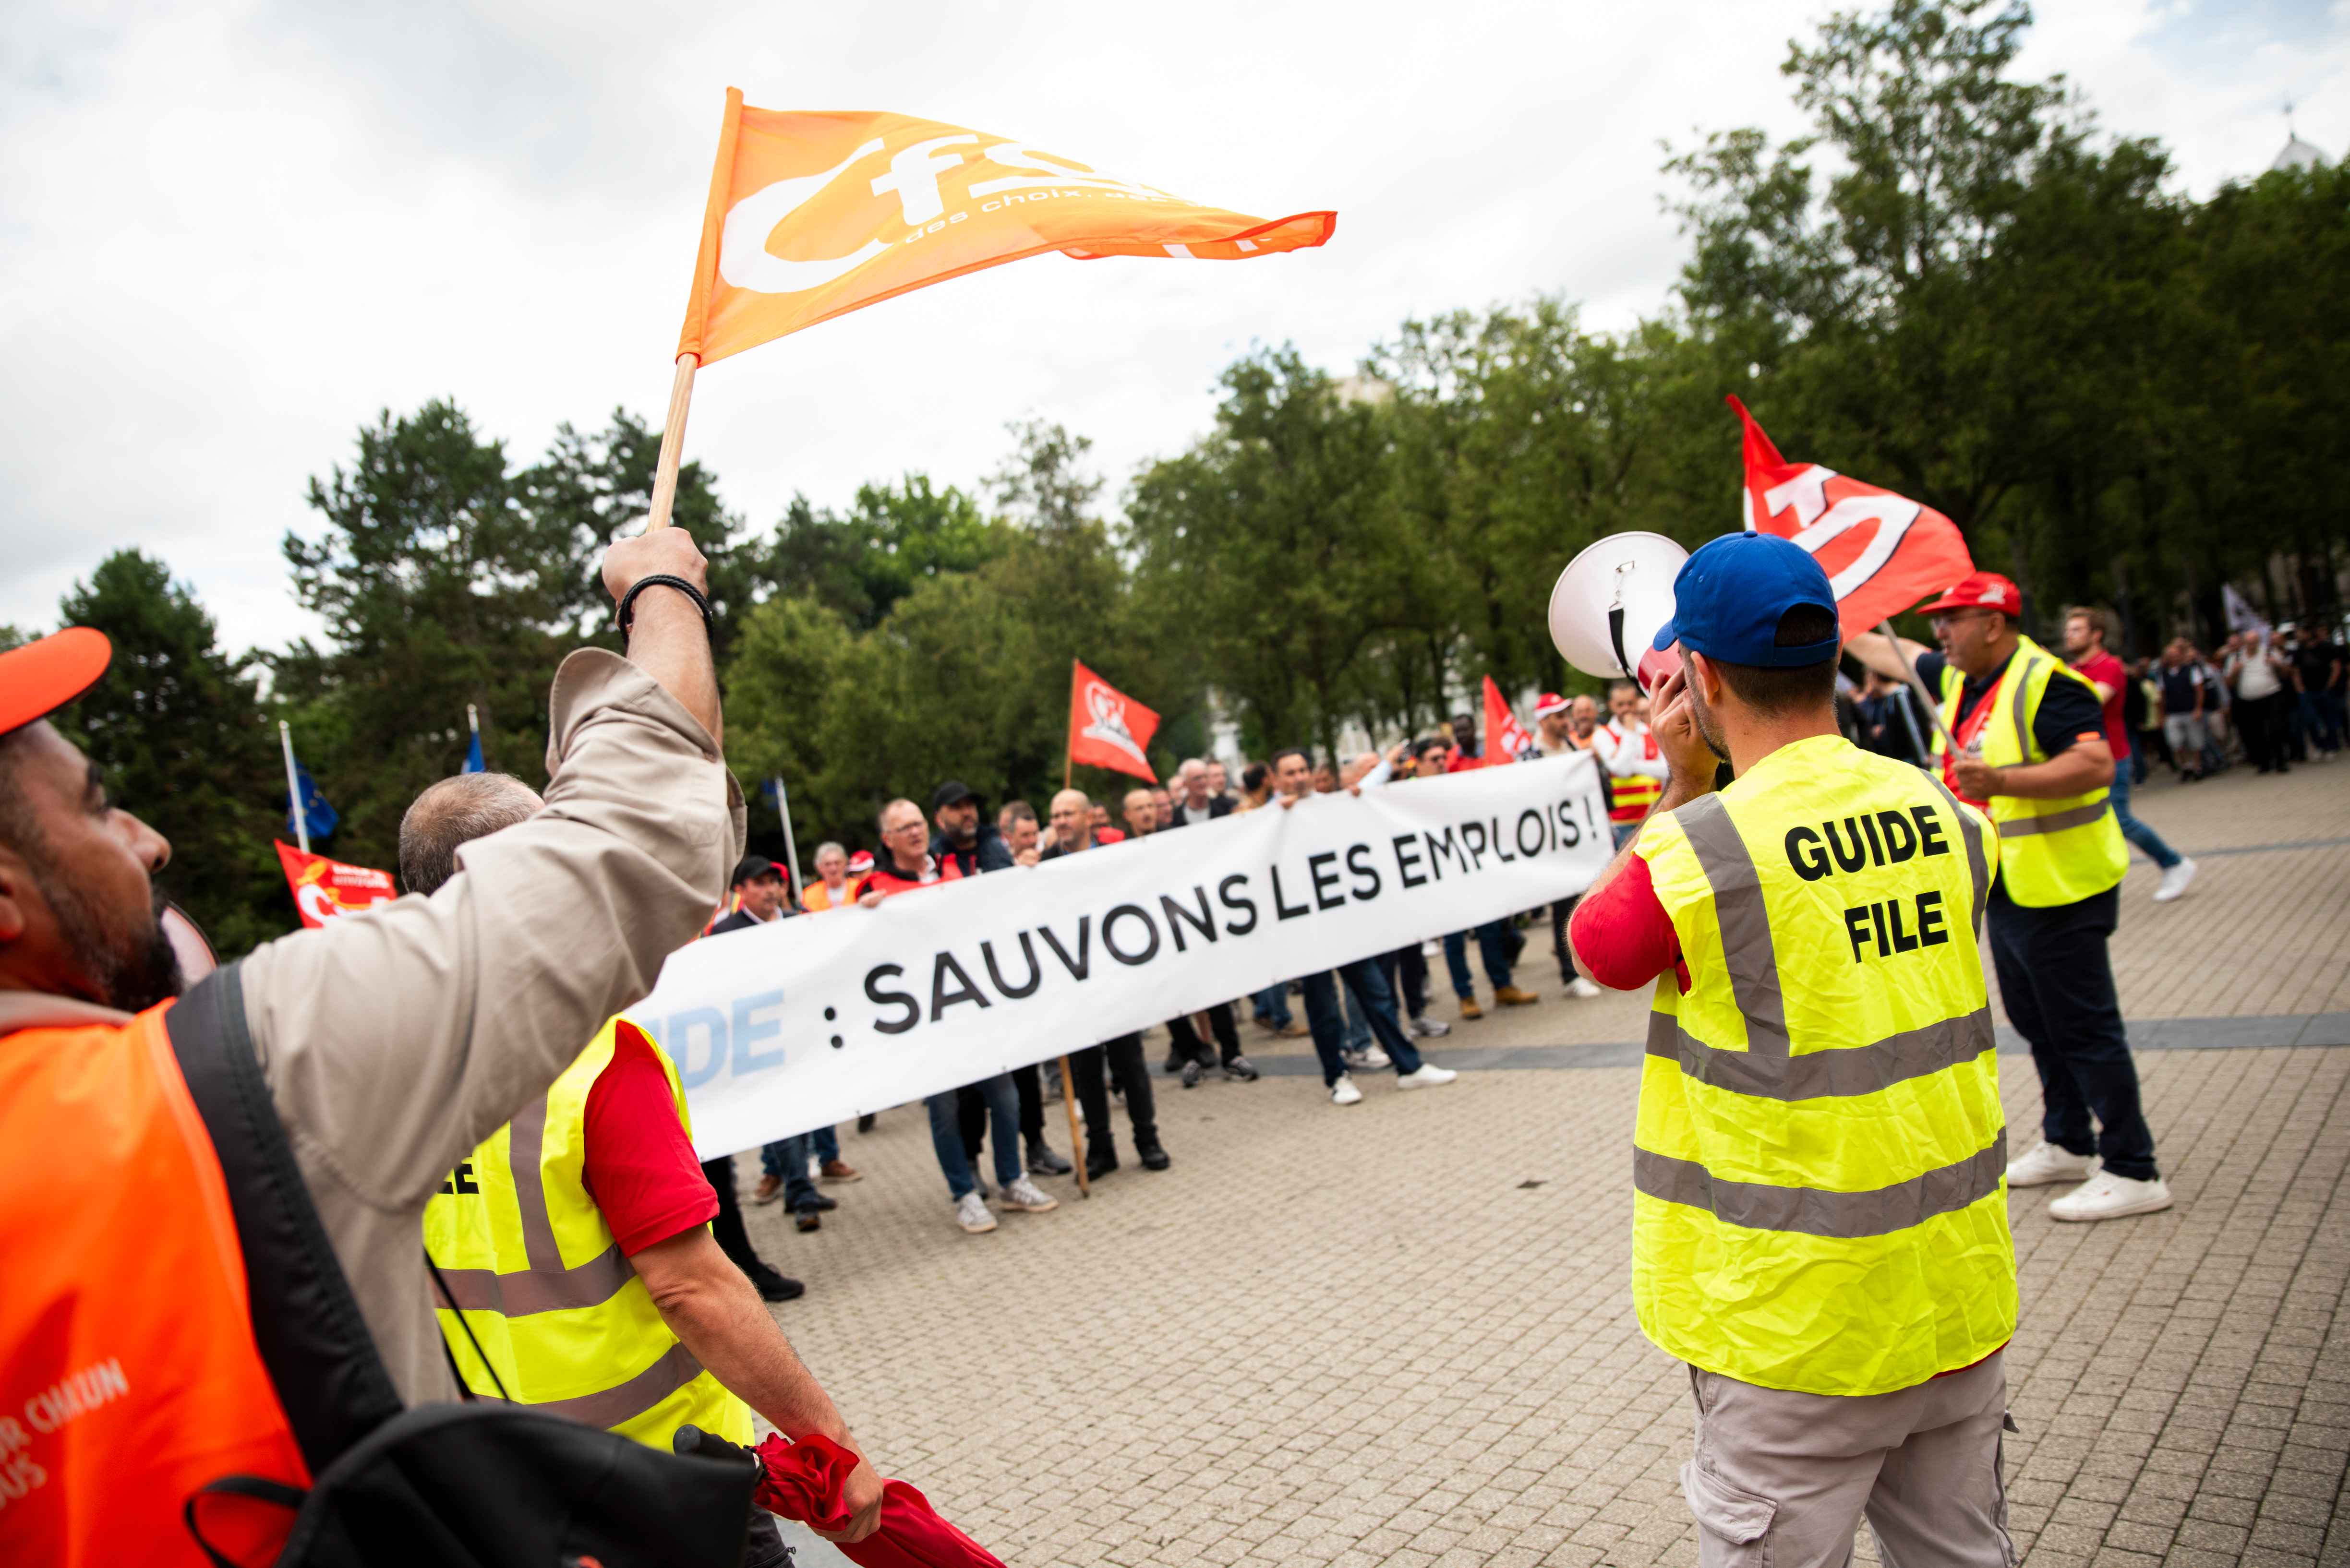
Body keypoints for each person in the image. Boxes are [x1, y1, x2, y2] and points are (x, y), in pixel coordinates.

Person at [0, 528, 898, 1557]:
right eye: (97, 807)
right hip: (650, 1479)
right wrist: (658, 591)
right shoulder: (239, 1074)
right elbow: (634, 842)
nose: (148, 840)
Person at [1568, 531, 2014, 1568]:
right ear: (1828, 657)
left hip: (1794, 1331)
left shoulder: (1698, 843)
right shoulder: (1949, 816)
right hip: (1952, 1297)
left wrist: (1678, 784)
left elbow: (1599, 947)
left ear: (1704, 677)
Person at [405, 781, 878, 1568]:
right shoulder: (594, 1063)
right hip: (668, 1479)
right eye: (560, 852)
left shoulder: (383, 1068)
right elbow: (690, 1285)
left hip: (512, 1487)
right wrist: (830, 1440)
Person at [1853, 573, 2171, 1222]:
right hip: (2009, 885)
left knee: (2084, 1027)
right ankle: (2066, 1139)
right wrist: (1830, 610)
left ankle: (2132, 1165)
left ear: (1992, 622)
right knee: (2037, 1021)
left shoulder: (2048, 682)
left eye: (1952, 619)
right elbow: (1892, 653)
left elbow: (2092, 765)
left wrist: (2000, 779)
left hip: (2061, 886)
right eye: (1937, 621)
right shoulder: (1959, 680)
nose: (1939, 632)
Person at [864, 799, 1060, 1233]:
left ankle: (1012, 1180)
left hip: (972, 1011)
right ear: (888, 838)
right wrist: (862, 917)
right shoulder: (875, 887)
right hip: (924, 1021)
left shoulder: (951, 868)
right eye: (904, 827)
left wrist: (1024, 870)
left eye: (918, 823)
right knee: (945, 1111)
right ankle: (965, 1195)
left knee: (1006, 1098)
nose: (915, 832)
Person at [1266, 749, 1459, 1105]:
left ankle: (1409, 1067)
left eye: (1303, 770)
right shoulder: (1268, 818)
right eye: (1289, 773)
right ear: (1276, 779)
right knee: (1323, 1005)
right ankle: (1337, 1077)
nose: (1298, 777)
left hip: (1344, 924)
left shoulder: (1332, 803)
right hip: (1307, 931)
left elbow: (1361, 804)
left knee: (1377, 994)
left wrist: (1365, 791)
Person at [708, 859, 852, 1229]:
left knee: (806, 1112)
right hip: (761, 1041)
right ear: (741, 889)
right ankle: (802, 1193)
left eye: (775, 881)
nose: (771, 889)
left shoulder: (797, 920)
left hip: (801, 1032)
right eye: (760, 883)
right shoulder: (725, 933)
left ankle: (798, 1188)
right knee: (783, 1119)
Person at [936, 783, 1070, 1179]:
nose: (966, 813)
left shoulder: (995, 848)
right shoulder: (933, 858)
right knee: (971, 1084)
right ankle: (974, 1160)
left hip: (1008, 977)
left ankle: (1035, 1146)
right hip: (962, 985)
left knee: (1025, 1071)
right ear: (940, 816)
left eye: (970, 805)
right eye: (956, 808)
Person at [1039, 788, 1171, 1177]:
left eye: (1068, 813)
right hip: (1075, 984)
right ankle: (1100, 1147)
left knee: (1129, 1064)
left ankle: (1147, 1140)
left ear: (1087, 818)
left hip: (1116, 977)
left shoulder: (1115, 856)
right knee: (1085, 1071)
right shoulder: (1042, 867)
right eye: (1056, 815)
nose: (1061, 821)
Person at [2064, 609, 2195, 903]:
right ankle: (2092, 884)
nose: (2068, 635)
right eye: (2068, 630)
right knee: (2087, 823)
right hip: (2082, 759)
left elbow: (2089, 704)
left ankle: (2174, 863)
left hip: (2112, 757)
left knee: (2121, 820)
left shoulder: (2109, 666)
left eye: (2076, 630)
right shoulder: (2073, 669)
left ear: (2096, 634)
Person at [1591, 679, 1669, 847]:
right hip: (1623, 822)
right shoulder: (1603, 735)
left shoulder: (1650, 731)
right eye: (1621, 705)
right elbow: (1622, 770)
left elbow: (1666, 769)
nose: (1626, 709)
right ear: (1612, 705)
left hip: (1655, 817)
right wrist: (1629, 731)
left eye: (1630, 704)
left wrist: (1635, 765)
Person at [2224, 628, 2295, 775]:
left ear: (2259, 641)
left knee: (2276, 729)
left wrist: (2277, 664)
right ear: (2244, 643)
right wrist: (2235, 671)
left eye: (2255, 642)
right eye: (2249, 642)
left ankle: (2281, 761)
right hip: (2249, 700)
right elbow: (2229, 683)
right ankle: (2264, 763)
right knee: (2256, 733)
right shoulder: (2236, 657)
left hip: (2272, 695)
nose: (2252, 645)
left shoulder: (2269, 652)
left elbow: (2287, 673)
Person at [2157, 639, 2211, 781]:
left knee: (2195, 742)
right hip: (2173, 713)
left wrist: (2198, 708)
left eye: (2176, 654)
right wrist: (2162, 715)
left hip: (2190, 710)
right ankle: (2186, 766)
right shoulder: (2163, 674)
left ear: (2181, 655)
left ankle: (2198, 767)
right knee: (2176, 742)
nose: (2173, 657)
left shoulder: (2191, 670)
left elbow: (2199, 690)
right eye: (2170, 655)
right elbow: (2161, 696)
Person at [2290, 624, 2343, 760]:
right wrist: (2300, 689)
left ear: (2308, 633)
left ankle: (2332, 746)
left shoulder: (2326, 648)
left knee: (2329, 719)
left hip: (2325, 690)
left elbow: (2336, 667)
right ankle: (2320, 746)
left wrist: (2329, 686)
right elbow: (2295, 671)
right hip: (2308, 692)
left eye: (2300, 633)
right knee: (2311, 720)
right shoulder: (2299, 651)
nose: (2298, 636)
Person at [1170, 757, 1235, 826]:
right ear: (1185, 784)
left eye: (1205, 777)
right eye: (1197, 778)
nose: (1203, 782)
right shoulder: (1175, 817)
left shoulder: (1227, 807)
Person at [801, 840, 862, 911]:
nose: (833, 868)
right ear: (819, 867)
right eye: (828, 864)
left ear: (845, 863)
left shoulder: (860, 886)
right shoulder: (809, 895)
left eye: (837, 863)